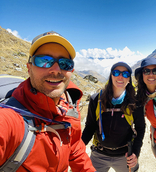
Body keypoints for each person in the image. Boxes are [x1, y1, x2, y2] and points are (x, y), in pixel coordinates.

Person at [0, 31, 96, 172]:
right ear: (29, 68)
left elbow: (75, 150)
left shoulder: (69, 106)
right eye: (44, 60)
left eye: (64, 63)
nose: (56, 70)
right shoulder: (10, 119)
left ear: (72, 70)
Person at [82, 62, 145, 172]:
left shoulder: (135, 102)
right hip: (99, 155)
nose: (120, 76)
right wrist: (79, 148)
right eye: (116, 73)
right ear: (111, 76)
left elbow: (140, 128)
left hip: (125, 157)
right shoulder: (96, 99)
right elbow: (90, 127)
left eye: (125, 74)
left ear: (129, 79)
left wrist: (135, 153)